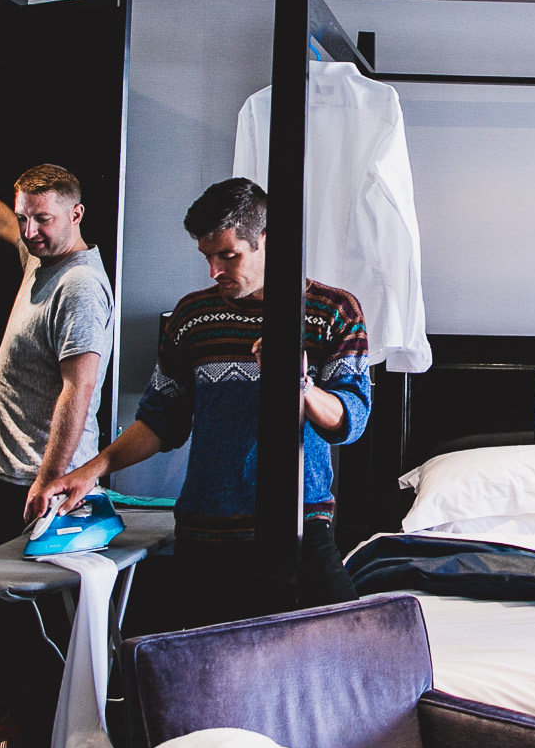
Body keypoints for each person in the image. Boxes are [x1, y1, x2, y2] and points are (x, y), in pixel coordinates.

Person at [38, 177, 371, 629]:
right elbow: (160, 420)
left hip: (297, 523)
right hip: (205, 529)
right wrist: (87, 472)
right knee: (197, 676)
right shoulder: (192, 317)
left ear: (268, 241)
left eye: (228, 255)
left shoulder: (333, 312)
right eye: (207, 257)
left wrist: (300, 383)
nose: (214, 270)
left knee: (348, 645)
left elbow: (350, 419)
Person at [0, 162, 117, 748]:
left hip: (42, 486)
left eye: (42, 219)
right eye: (25, 218)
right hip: (11, 475)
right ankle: (30, 733)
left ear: (76, 215)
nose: (29, 230)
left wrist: (49, 478)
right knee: (13, 623)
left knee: (42, 625)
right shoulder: (39, 259)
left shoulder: (77, 285)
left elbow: (81, 387)